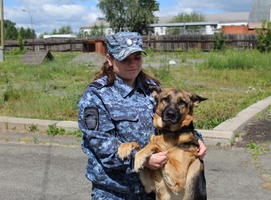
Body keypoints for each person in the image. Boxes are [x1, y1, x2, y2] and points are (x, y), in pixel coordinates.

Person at [78, 32, 207, 200]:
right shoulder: (96, 96)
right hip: (116, 192)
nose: (133, 64)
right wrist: (141, 160)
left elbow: (172, 121)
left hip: (155, 191)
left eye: (137, 57)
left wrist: (196, 139)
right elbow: (100, 143)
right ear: (110, 59)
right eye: (125, 59)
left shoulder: (152, 88)